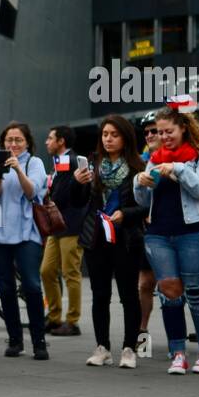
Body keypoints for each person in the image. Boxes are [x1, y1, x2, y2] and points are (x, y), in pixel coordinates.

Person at [133, 106, 199, 375]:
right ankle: (178, 352)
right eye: (159, 132)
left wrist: (179, 169)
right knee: (169, 293)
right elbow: (143, 201)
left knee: (196, 293)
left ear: (183, 128)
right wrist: (140, 182)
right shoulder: (154, 158)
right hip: (159, 235)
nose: (163, 136)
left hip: (195, 234)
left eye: (169, 131)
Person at [74, 115, 145, 368]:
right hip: (96, 236)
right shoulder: (93, 165)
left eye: (114, 134)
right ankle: (102, 347)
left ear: (125, 137)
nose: (108, 139)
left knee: (129, 295)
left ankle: (129, 348)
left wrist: (125, 214)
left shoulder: (138, 166)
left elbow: (145, 207)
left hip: (126, 238)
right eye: (105, 134)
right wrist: (78, 183)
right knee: (99, 294)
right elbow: (77, 201)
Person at [0, 121, 49, 359]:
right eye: (9, 140)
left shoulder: (35, 163)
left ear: (27, 142)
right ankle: (15, 340)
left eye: (18, 140)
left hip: (26, 232)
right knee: (5, 287)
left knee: (31, 285)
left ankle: (39, 340)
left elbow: (33, 192)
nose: (13, 144)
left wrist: (18, 170)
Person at [40, 124, 89, 336]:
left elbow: (63, 194)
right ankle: (54, 316)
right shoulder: (60, 162)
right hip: (56, 227)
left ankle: (72, 321)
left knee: (71, 273)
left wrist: (49, 193)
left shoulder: (71, 161)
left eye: (50, 138)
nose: (47, 142)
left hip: (71, 226)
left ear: (61, 141)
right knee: (46, 270)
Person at [135, 113, 159, 357]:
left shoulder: (185, 155)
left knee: (184, 288)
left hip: (180, 232)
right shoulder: (142, 161)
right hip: (149, 232)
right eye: (147, 132)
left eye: (155, 130)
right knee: (145, 284)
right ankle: (142, 334)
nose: (151, 135)